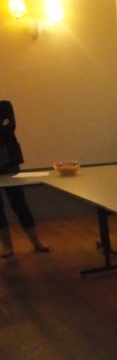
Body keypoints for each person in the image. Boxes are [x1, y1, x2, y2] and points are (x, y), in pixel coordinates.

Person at [0, 100, 50, 257]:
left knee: (18, 203)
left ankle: (36, 241)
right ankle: (7, 246)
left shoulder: (4, 106)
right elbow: (3, 129)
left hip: (9, 161)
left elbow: (9, 129)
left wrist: (3, 127)